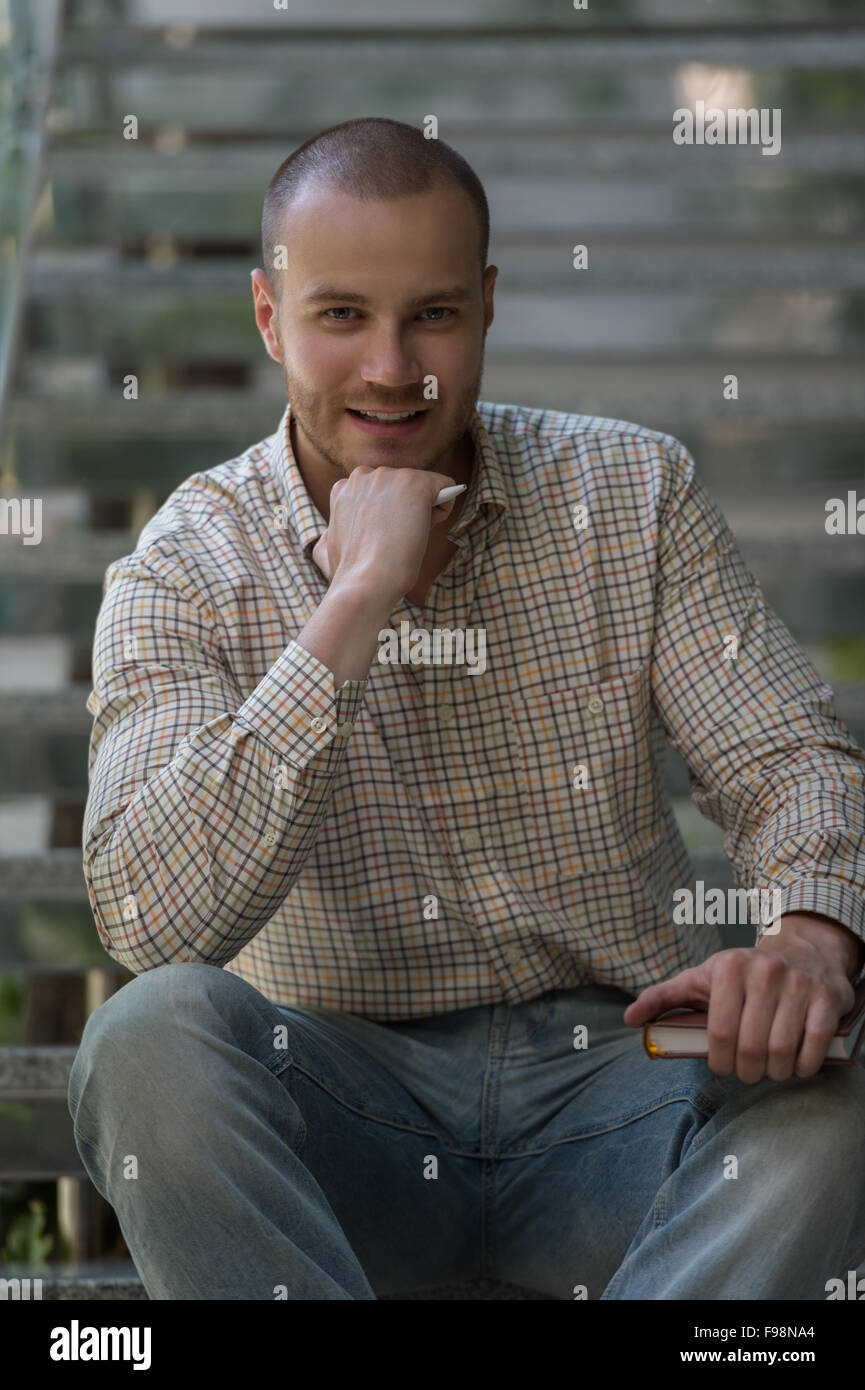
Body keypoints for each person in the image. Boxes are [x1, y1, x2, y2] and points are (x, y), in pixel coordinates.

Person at [67, 117, 865, 1301]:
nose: (392, 367)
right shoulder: (184, 565)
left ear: (486, 305)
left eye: (431, 313)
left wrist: (805, 940)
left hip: (628, 1076)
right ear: (268, 317)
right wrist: (350, 606)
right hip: (336, 1115)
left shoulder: (631, 491)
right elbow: (144, 912)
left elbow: (790, 754)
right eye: (342, 314)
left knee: (835, 1106)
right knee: (144, 1039)